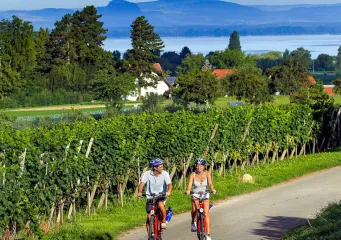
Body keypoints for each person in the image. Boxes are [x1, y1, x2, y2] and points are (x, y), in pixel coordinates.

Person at [138, 158, 173, 231]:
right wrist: (139, 192)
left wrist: (168, 191)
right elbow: (141, 184)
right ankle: (150, 235)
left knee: (161, 205)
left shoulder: (165, 173)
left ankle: (163, 222)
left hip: (161, 196)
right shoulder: (147, 174)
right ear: (155, 168)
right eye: (160, 167)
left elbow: (169, 184)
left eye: (162, 166)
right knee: (148, 217)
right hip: (150, 197)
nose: (162, 168)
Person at [186, 157, 216, 240]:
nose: (199, 167)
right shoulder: (193, 174)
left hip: (205, 194)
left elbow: (210, 183)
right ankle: (193, 222)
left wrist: (212, 189)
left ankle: (208, 235)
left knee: (206, 214)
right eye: (198, 166)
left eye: (201, 166)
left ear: (204, 166)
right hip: (195, 194)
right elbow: (189, 185)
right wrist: (188, 190)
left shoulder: (207, 173)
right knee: (194, 210)